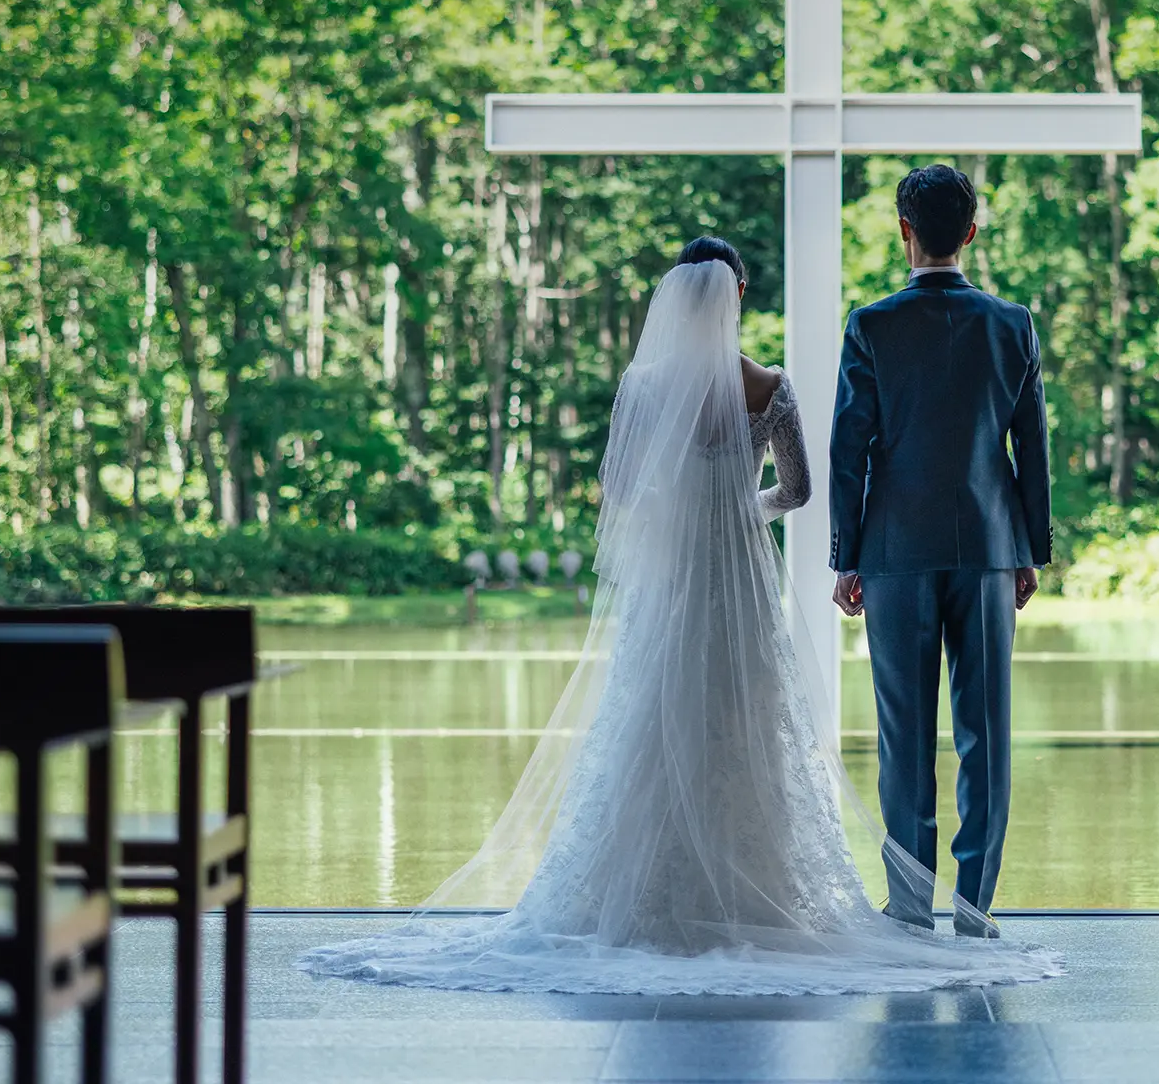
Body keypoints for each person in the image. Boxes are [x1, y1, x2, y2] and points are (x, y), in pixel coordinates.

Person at [299, 235, 1059, 995]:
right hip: (806, 568)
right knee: (773, 723)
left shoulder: (646, 385)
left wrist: (705, 519)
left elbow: (622, 487)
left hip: (688, 575)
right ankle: (963, 911)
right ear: (737, 296)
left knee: (660, 717)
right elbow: (800, 489)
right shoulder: (770, 386)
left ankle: (845, 906)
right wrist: (742, 513)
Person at [830, 165, 1051, 933]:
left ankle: (907, 906)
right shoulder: (1012, 323)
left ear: (905, 231)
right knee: (986, 732)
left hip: (893, 551)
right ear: (970, 233)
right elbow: (1031, 447)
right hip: (989, 547)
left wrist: (846, 555)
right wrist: (1031, 548)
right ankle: (973, 905)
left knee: (904, 736)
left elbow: (848, 450)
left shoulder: (871, 325)